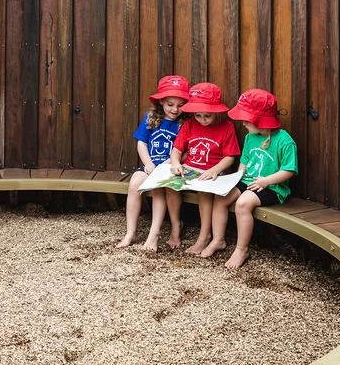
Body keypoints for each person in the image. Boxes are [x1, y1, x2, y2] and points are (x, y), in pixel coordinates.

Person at [201, 89, 298, 268]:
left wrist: (266, 181)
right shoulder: (250, 137)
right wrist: (235, 179)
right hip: (248, 181)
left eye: (246, 119)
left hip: (272, 187)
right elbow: (244, 163)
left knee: (242, 203)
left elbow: (289, 170)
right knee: (221, 197)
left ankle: (241, 249)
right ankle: (218, 240)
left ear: (260, 119)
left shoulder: (284, 140)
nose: (243, 123)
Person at [116, 75, 190, 250]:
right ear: (162, 101)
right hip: (151, 165)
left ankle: (154, 234)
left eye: (180, 105)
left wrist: (172, 163)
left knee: (158, 187)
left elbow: (187, 150)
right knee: (135, 183)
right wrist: (148, 163)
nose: (175, 109)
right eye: (170, 104)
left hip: (172, 166)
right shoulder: (151, 117)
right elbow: (141, 142)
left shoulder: (185, 123)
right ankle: (131, 232)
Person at [168, 82, 240, 255]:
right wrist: (176, 163)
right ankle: (175, 226)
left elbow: (230, 157)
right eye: (198, 115)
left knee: (204, 191)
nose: (202, 120)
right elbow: (176, 150)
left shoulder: (226, 127)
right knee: (170, 185)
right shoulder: (190, 125)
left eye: (207, 115)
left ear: (217, 111)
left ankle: (204, 237)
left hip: (214, 172)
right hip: (190, 169)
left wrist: (215, 169)